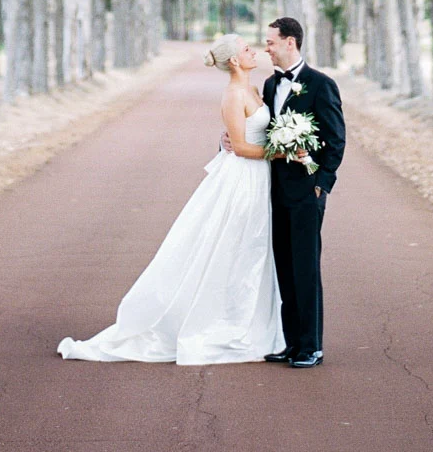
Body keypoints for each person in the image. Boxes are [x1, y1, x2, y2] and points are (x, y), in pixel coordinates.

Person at [56, 33, 285, 365]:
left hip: (259, 177)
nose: (254, 51)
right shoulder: (234, 94)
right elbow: (241, 147)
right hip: (243, 178)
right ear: (235, 60)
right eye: (247, 49)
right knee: (236, 245)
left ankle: (253, 318)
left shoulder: (254, 89)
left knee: (252, 247)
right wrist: (282, 153)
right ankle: (219, 320)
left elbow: (252, 133)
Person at [261, 16, 345, 369]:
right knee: (283, 265)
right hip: (274, 191)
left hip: (307, 192)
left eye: (270, 42)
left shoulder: (321, 84)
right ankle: (291, 342)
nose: (267, 48)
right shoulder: (270, 85)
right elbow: (262, 132)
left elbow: (336, 139)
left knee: (305, 267)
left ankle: (311, 346)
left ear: (290, 42)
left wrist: (321, 183)